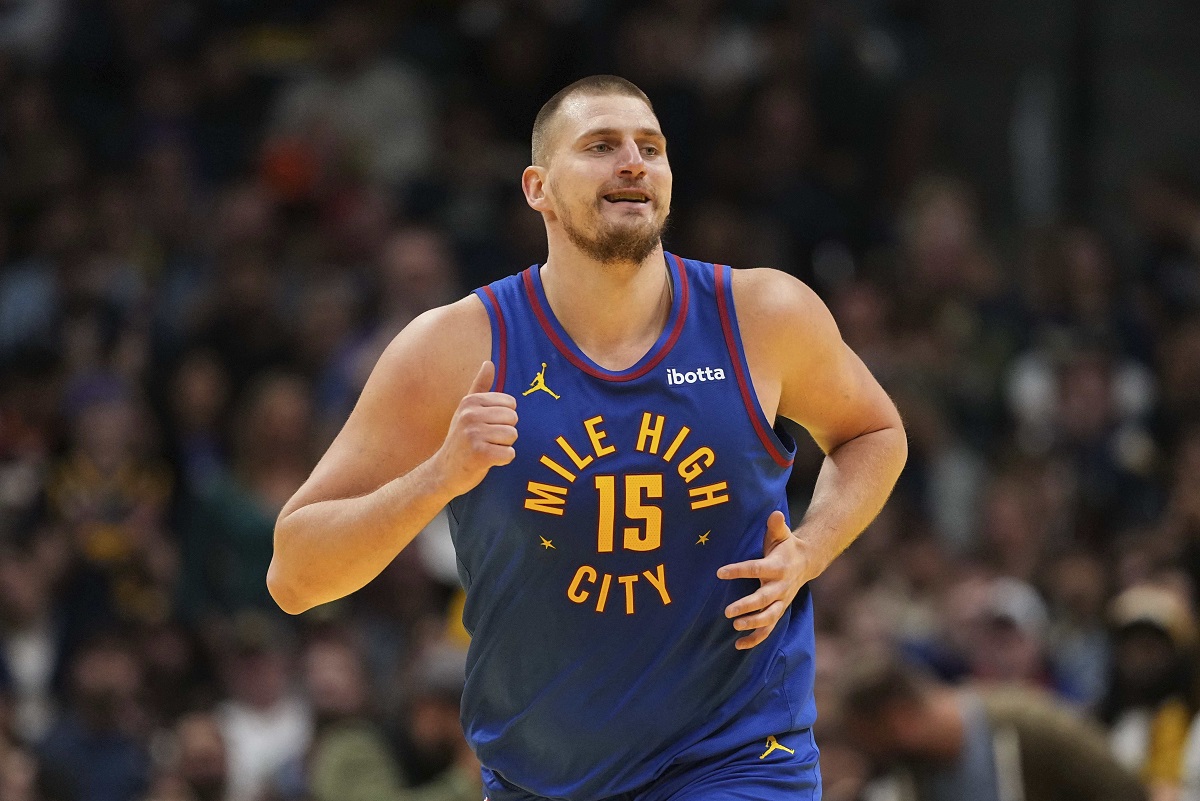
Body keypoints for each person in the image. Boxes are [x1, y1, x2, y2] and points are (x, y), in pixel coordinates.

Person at [268, 74, 908, 800]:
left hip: (738, 756)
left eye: (652, 148)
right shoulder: (453, 348)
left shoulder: (763, 313)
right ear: (537, 187)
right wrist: (440, 475)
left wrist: (812, 545)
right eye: (601, 146)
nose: (633, 162)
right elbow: (295, 574)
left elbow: (874, 430)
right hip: (540, 775)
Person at [836, 652, 1148, 801]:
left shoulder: (1031, 724)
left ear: (901, 718)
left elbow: (1126, 792)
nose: (872, 756)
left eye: (872, 742)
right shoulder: (911, 775)